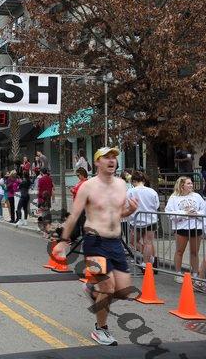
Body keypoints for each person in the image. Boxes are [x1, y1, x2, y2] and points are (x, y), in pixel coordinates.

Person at [53, 147, 138, 346]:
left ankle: (92, 289)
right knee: (107, 287)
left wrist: (129, 211)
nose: (112, 160)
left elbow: (116, 213)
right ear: (97, 162)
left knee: (123, 291)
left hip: (115, 242)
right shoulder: (88, 186)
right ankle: (101, 329)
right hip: (94, 242)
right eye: (106, 157)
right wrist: (63, 241)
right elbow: (74, 215)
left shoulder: (121, 184)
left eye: (114, 157)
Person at [164, 176, 205, 283]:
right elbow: (168, 212)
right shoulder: (174, 198)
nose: (191, 185)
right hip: (181, 228)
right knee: (179, 251)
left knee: (194, 252)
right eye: (188, 183)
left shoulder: (197, 196)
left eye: (191, 183)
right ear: (182, 185)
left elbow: (205, 209)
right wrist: (185, 213)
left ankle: (195, 274)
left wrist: (197, 213)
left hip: (196, 227)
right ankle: (178, 273)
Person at [127, 171, 160, 269]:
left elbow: (127, 205)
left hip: (136, 220)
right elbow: (157, 205)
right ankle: (148, 260)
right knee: (148, 243)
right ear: (144, 181)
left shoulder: (130, 191)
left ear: (133, 181)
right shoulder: (152, 191)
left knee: (133, 242)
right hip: (151, 219)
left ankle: (147, 260)